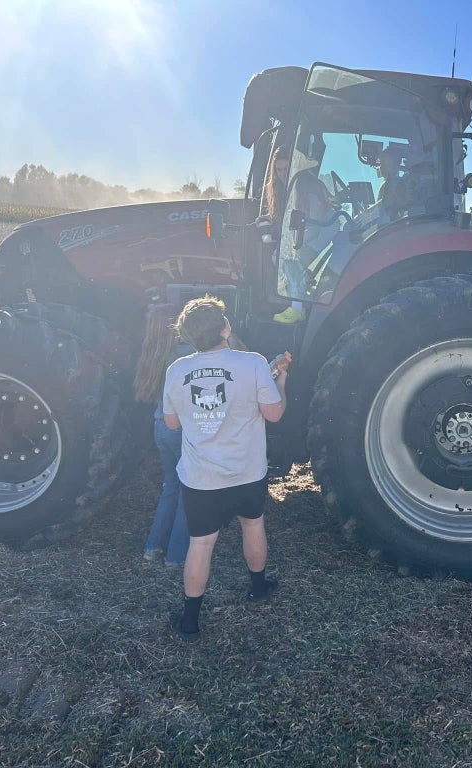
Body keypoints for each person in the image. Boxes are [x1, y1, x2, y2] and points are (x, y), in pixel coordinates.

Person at [162, 295, 291, 640]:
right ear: (225, 328)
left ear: (189, 336)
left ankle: (190, 621)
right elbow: (274, 414)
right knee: (253, 525)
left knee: (201, 545)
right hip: (247, 472)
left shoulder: (176, 371)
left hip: (201, 478)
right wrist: (280, 381)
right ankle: (259, 589)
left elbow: (172, 423)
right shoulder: (253, 364)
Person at [134, 304, 192, 567]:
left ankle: (153, 546)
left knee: (171, 487)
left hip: (161, 428)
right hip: (182, 431)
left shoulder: (153, 354)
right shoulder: (185, 355)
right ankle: (177, 556)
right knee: (189, 492)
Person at [261, 144, 332, 324]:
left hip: (320, 235)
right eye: (278, 169)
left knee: (286, 258)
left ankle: (297, 307)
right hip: (305, 234)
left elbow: (314, 224)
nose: (282, 173)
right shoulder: (285, 189)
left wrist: (291, 247)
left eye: (286, 168)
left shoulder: (309, 188)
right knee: (280, 256)